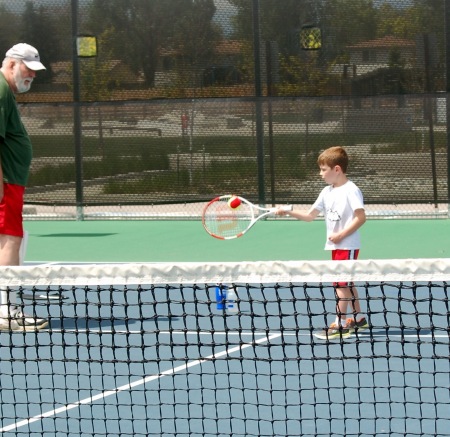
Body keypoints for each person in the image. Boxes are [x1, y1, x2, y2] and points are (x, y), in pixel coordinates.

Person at [276, 146, 368, 340]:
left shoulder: (351, 190)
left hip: (347, 245)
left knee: (341, 285)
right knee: (346, 283)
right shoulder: (326, 192)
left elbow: (361, 218)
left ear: (337, 169)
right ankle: (359, 318)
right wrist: (287, 210)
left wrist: (341, 235)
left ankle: (340, 325)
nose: (320, 174)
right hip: (336, 246)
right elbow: (310, 216)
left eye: (323, 169)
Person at [0, 43, 47, 331]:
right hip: (6, 184)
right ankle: (5, 309)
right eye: (28, 68)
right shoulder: (1, 91)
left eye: (34, 71)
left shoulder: (5, 93)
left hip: (10, 182)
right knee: (10, 239)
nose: (31, 75)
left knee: (15, 237)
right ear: (12, 64)